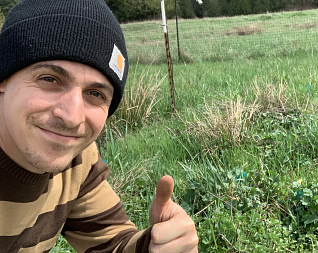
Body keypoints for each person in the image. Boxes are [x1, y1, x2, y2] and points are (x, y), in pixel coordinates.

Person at [0, 0, 198, 252]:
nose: (72, 117)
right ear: (3, 78)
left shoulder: (76, 158)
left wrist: (155, 245)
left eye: (95, 94)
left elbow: (111, 242)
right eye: (50, 79)